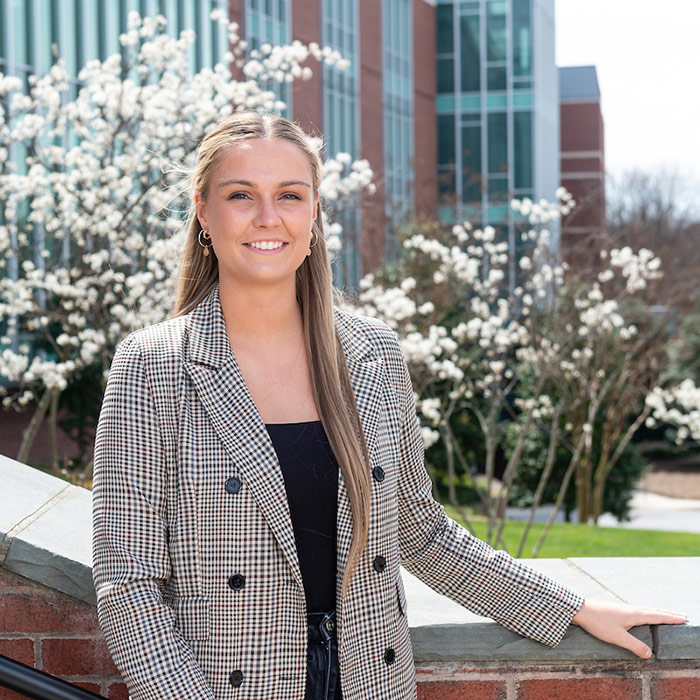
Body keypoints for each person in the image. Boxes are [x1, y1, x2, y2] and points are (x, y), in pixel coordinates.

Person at [92, 112, 685, 700]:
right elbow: (128, 583)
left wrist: (571, 608)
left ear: (316, 210)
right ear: (203, 211)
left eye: (290, 195)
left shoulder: (371, 353)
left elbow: (420, 534)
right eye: (241, 195)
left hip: (372, 681)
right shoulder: (155, 367)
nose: (268, 217)